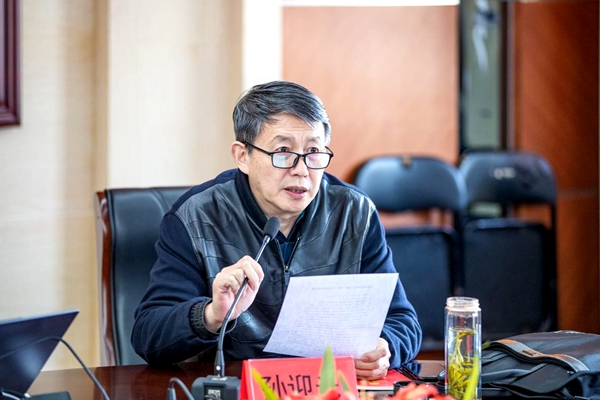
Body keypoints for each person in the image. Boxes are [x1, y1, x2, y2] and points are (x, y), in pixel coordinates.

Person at [131, 80, 422, 380]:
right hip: (237, 389)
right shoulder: (195, 216)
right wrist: (211, 315)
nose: (301, 170)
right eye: (283, 152)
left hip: (327, 390)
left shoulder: (354, 213)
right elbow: (147, 335)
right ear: (242, 156)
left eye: (313, 152)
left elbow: (403, 320)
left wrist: (386, 347)